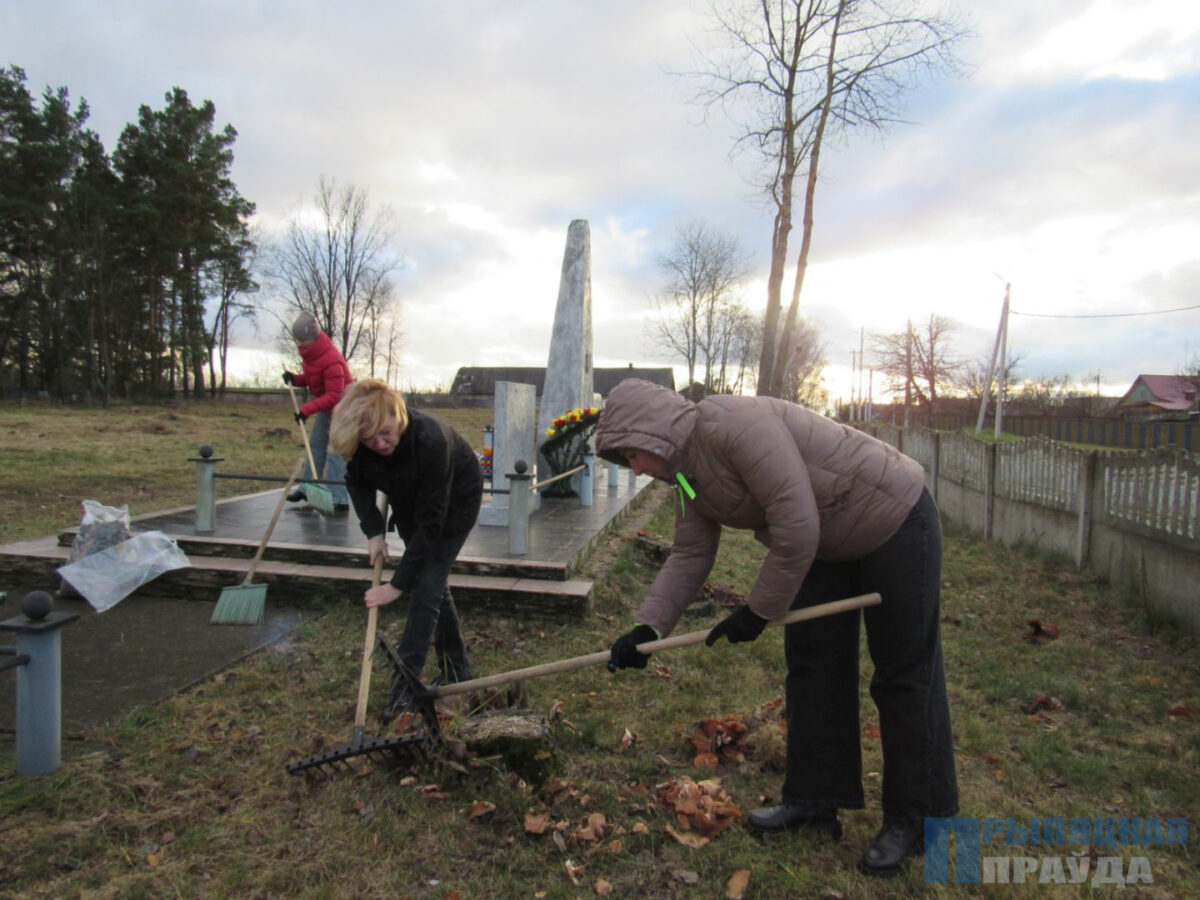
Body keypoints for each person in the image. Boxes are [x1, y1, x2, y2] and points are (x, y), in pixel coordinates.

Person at [597, 379, 957, 877]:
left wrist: (758, 611)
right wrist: (647, 630)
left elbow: (795, 522)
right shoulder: (684, 478)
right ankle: (814, 801)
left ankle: (916, 820)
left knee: (903, 676)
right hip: (829, 540)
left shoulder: (734, 425)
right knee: (814, 663)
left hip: (894, 517)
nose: (634, 468)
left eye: (632, 453)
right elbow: (691, 552)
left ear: (653, 431)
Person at [330, 378, 483, 719]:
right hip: (411, 498)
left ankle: (406, 687)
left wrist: (398, 584)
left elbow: (431, 526)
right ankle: (457, 669)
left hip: (456, 499)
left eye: (385, 433)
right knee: (433, 584)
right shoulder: (365, 444)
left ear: (397, 415)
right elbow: (356, 481)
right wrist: (374, 532)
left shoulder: (431, 441)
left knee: (427, 583)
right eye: (370, 440)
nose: (379, 444)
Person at [282, 311, 353, 510]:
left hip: (344, 408)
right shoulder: (310, 354)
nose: (299, 343)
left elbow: (334, 395)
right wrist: (295, 379)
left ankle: (339, 499)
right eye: (297, 339)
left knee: (336, 453)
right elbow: (313, 378)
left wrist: (306, 410)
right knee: (315, 447)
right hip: (328, 407)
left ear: (313, 337)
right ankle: (307, 489)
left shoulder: (332, 359)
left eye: (303, 339)